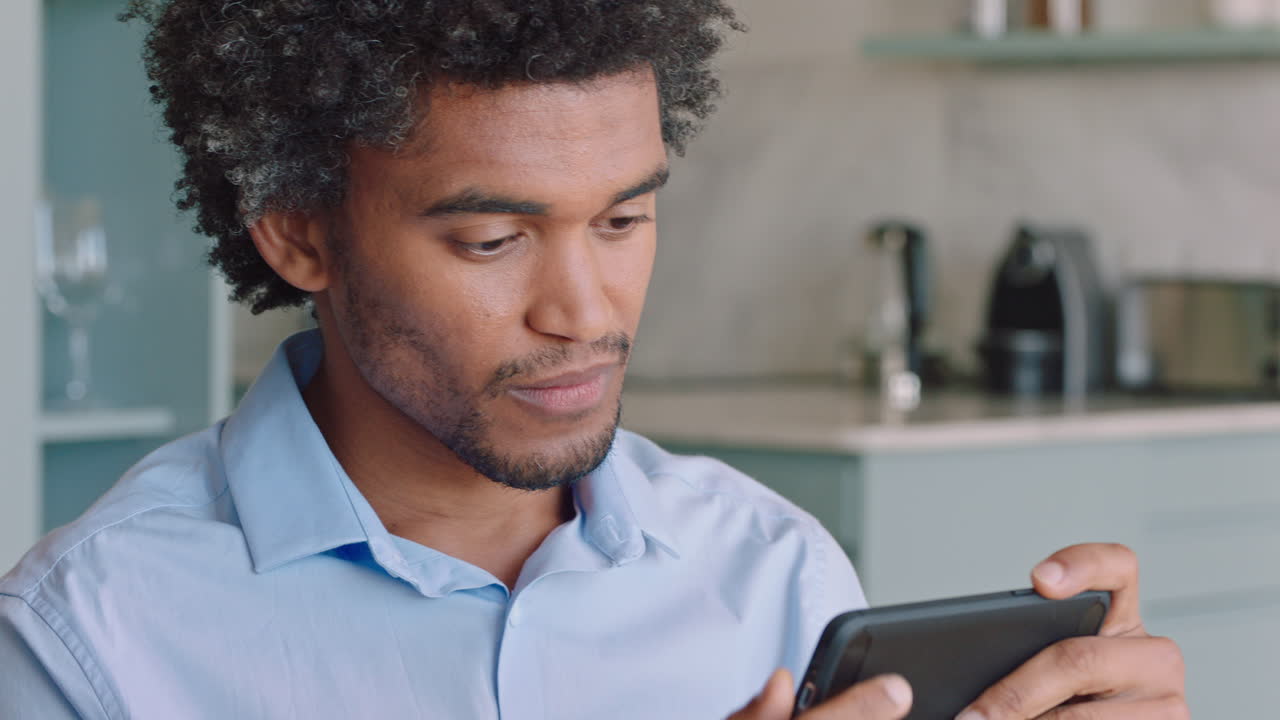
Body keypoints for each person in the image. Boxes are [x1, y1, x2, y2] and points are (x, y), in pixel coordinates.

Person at [0, 2, 1187, 718]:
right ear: (299, 232)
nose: (583, 312)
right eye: (491, 238)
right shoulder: (93, 642)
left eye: (621, 221)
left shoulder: (771, 573)